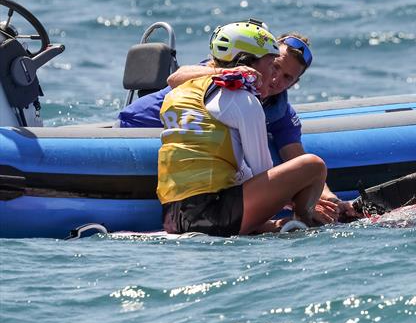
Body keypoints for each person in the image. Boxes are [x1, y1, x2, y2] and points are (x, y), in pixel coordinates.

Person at [118, 25, 348, 223]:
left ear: (295, 83)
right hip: (140, 125)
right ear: (263, 58)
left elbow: (295, 156)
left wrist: (330, 199)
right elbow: (175, 77)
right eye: (275, 67)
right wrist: (228, 73)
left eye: (287, 77)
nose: (277, 78)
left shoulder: (279, 112)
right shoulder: (225, 79)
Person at [158, 20, 326, 235]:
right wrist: (293, 195)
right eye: (270, 65)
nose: (273, 77)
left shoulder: (183, 90)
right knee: (314, 166)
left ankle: (273, 227)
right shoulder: (242, 100)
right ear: (249, 63)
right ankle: (307, 220)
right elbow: (262, 171)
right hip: (213, 214)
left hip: (172, 216)